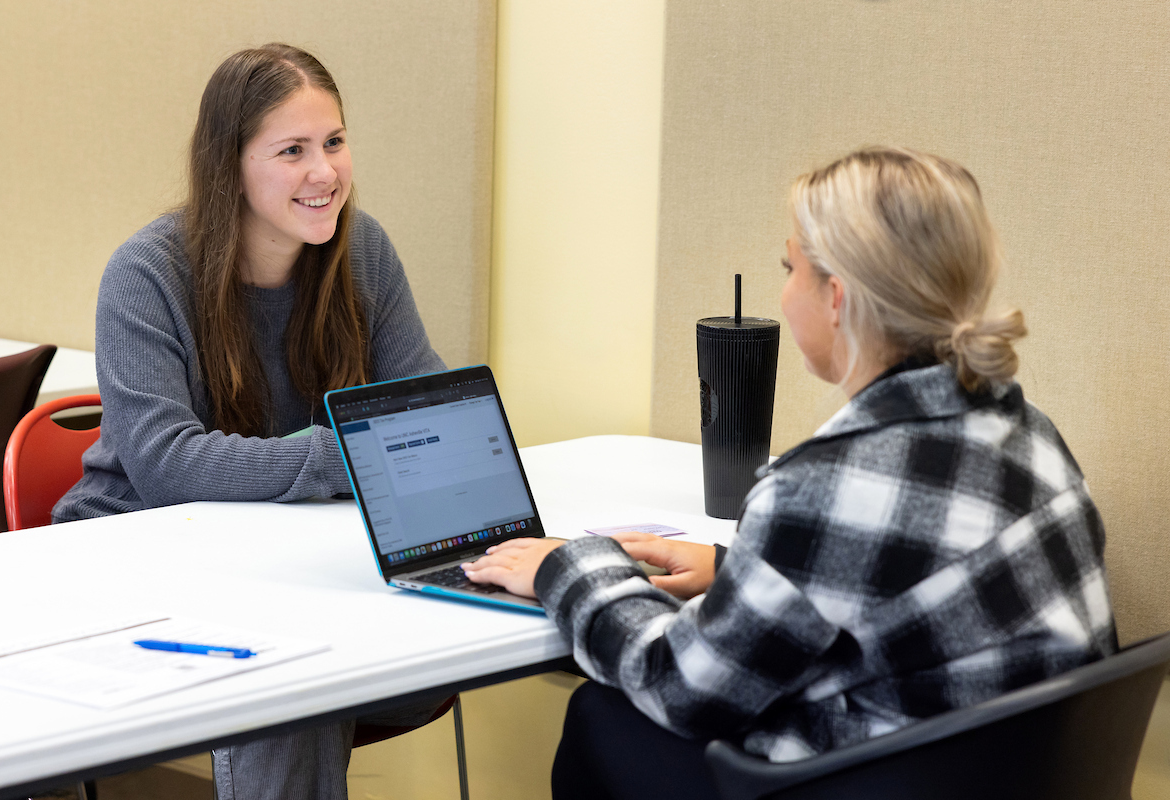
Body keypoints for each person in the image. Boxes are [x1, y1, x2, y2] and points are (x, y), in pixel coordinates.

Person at [463, 147, 1118, 799]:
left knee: (603, 719)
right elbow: (911, 582)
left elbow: (677, 684)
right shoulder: (1030, 434)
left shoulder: (822, 488)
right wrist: (737, 569)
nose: (783, 290)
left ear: (836, 298)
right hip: (1001, 776)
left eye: (790, 267)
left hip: (873, 780)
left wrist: (571, 566)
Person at [53, 44, 444, 800]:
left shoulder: (362, 254)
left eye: (333, 142)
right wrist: (350, 459)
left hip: (277, 555)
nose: (324, 172)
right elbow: (170, 465)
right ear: (229, 165)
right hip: (131, 556)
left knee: (384, 645)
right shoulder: (146, 275)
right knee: (296, 680)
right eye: (292, 150)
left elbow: (426, 406)